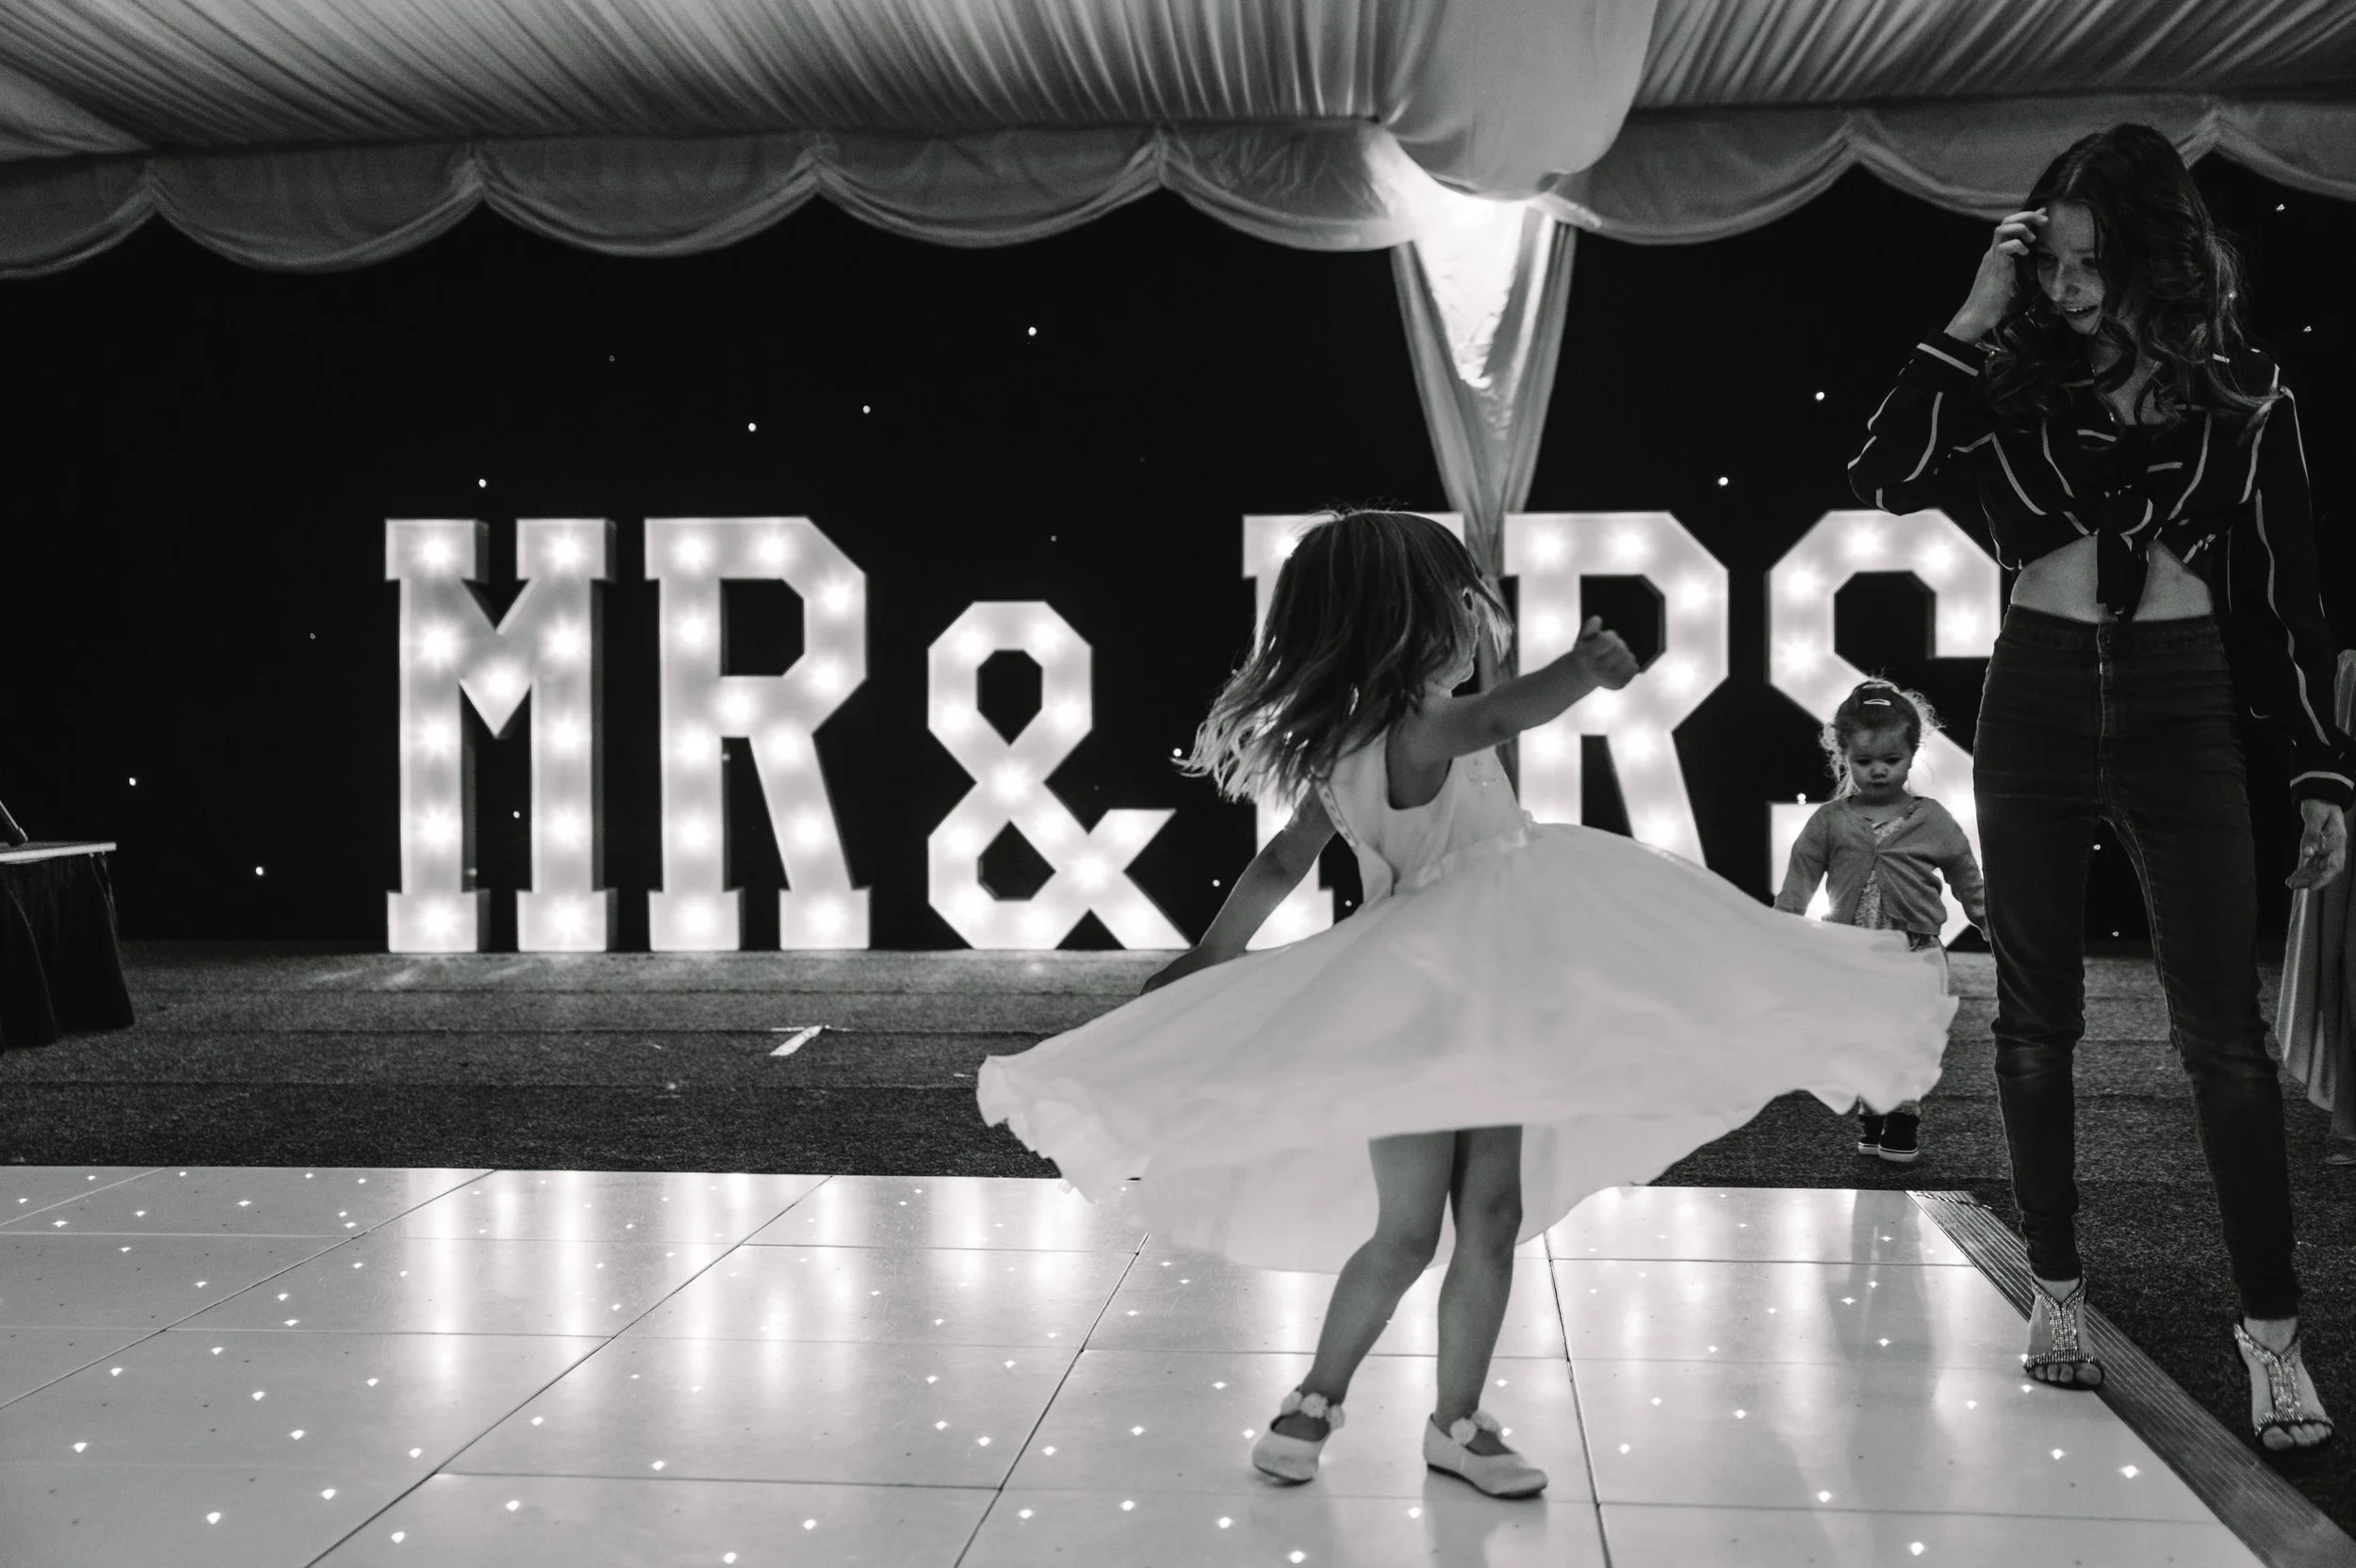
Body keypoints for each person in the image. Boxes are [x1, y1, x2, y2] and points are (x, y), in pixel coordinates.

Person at [977, 509, 1956, 1496]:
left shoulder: (1344, 746)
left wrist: (1210, 957)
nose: (1475, 622)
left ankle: (1377, 1413)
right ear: (1406, 622)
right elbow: (1492, 720)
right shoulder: (1420, 724)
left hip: (1426, 1006)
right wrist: (1581, 671)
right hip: (1470, 995)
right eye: (1458, 603)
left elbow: (1280, 861)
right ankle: (1387, 1410)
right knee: (1466, 1221)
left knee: (1436, 1225)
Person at [1848, 123, 2349, 1450]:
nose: (2066, 289)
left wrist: (2320, 768)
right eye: (2052, 263)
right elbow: (1880, 472)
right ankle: (2056, 1285)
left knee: (2222, 1036)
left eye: (2087, 264)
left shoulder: (2246, 397)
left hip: (2184, 699)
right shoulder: (2008, 376)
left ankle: (2271, 1330)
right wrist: (1974, 312)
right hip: (2041, 691)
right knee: (2036, 1021)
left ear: (2149, 256)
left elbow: (2291, 598)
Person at [1775, 678, 1988, 1164]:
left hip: (1916, 953)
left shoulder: (1932, 819)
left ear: (1913, 754)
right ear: (1843, 756)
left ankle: (1903, 1117)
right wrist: (1780, 930)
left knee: (1908, 1038)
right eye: (1864, 761)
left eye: (1891, 760)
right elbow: (1799, 880)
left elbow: (1966, 876)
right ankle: (1874, 1110)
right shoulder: (1829, 821)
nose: (1877, 771)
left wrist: (1991, 923)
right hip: (1851, 956)